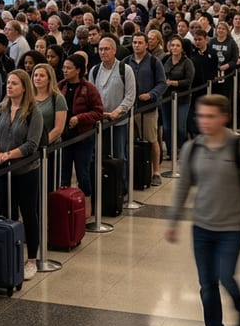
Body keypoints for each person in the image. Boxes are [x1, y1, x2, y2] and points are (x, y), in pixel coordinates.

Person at [166, 94, 240, 326]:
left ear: (224, 117)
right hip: (201, 226)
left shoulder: (239, 148)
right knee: (206, 283)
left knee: (225, 276)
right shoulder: (193, 149)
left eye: (211, 116)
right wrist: (174, 220)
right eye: (200, 116)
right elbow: (183, 186)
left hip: (232, 226)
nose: (204, 121)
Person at [0, 69, 45, 280]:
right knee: (5, 211)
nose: (9, 86)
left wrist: (8, 155)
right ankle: (10, 253)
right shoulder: (1, 108)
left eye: (14, 84)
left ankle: (31, 260)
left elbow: (32, 144)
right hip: (2, 170)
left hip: (25, 171)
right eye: (8, 83)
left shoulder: (32, 112)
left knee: (28, 213)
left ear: (24, 87)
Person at [90, 35, 135, 187]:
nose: (103, 52)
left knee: (119, 155)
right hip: (99, 122)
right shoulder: (94, 70)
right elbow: (90, 95)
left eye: (107, 49)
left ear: (114, 51)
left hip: (118, 121)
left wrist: (117, 112)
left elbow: (130, 96)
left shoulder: (125, 69)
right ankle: (103, 187)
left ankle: (121, 187)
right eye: (101, 49)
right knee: (99, 155)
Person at [59, 52, 103, 203]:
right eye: (64, 67)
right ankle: (64, 207)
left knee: (82, 173)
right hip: (64, 137)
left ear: (78, 70)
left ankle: (87, 208)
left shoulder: (89, 88)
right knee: (63, 174)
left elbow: (98, 112)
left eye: (69, 68)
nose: (65, 71)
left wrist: (79, 118)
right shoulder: (61, 86)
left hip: (83, 137)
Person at [123, 31, 166, 185]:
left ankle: (156, 171)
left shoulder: (154, 62)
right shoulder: (126, 62)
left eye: (140, 42)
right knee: (130, 141)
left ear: (147, 45)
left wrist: (152, 94)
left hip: (148, 109)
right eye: (134, 42)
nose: (137, 45)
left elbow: (162, 83)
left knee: (152, 140)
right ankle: (134, 171)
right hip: (130, 109)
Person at [163, 36, 195, 154]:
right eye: (172, 45)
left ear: (182, 48)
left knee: (180, 126)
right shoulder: (166, 59)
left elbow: (189, 81)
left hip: (182, 98)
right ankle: (171, 150)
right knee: (167, 127)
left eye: (177, 46)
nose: (175, 48)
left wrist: (173, 83)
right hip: (166, 97)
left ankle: (181, 148)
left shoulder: (187, 62)